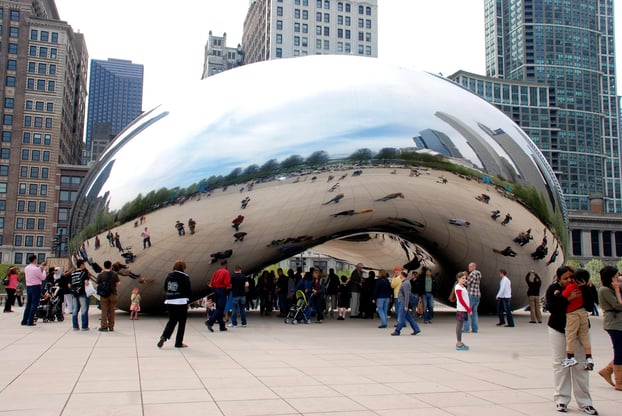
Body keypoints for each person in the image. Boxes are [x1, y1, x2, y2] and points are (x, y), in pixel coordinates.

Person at [546, 265, 599, 415]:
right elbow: (553, 308)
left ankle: (585, 402)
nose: (568, 280)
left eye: (571, 277)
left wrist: (586, 289)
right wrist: (567, 298)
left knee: (581, 365)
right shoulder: (553, 289)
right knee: (561, 364)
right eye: (565, 279)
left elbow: (590, 306)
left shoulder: (581, 285)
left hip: (579, 330)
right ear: (559, 279)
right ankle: (561, 399)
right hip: (558, 329)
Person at [560, 269, 594, 370]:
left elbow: (563, 297)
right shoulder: (585, 288)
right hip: (583, 312)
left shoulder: (572, 287)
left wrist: (558, 293)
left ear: (575, 279)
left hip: (572, 313)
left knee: (571, 334)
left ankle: (570, 357)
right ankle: (589, 358)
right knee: (584, 335)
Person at [597, 265, 622, 390]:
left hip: (619, 323)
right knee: (619, 351)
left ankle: (607, 370)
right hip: (614, 324)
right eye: (616, 276)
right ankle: (620, 382)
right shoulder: (605, 290)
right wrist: (617, 290)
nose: (618, 277)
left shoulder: (612, 287)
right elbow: (618, 305)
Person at [157, 260, 192, 348]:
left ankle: (164, 336)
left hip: (170, 301)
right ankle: (178, 342)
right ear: (184, 267)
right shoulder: (185, 277)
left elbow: (165, 287)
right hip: (181, 301)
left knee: (172, 320)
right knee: (181, 322)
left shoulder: (169, 276)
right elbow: (188, 289)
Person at [391, 271, 421, 336]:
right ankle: (416, 329)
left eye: (400, 275)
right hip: (403, 302)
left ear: (402, 275)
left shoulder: (406, 283)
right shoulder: (405, 282)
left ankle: (397, 331)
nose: (399, 276)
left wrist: (406, 305)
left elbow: (407, 295)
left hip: (403, 303)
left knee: (401, 317)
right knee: (409, 317)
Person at [21, 255, 47, 326]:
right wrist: (44, 270)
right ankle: (30, 321)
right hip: (35, 286)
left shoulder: (26, 268)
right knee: (34, 304)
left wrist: (40, 268)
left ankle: (24, 320)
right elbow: (43, 278)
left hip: (28, 286)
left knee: (28, 304)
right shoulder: (36, 269)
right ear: (35, 260)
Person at [206, 260, 231, 332]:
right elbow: (227, 283)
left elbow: (212, 282)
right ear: (226, 264)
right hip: (222, 290)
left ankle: (222, 326)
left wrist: (214, 289)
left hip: (216, 290)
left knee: (219, 308)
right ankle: (210, 322)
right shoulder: (226, 272)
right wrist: (229, 286)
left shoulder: (217, 272)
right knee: (220, 309)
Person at [96, 260, 120, 332]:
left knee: (104, 311)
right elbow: (118, 284)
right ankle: (111, 326)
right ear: (110, 266)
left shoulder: (100, 275)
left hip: (104, 295)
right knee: (112, 311)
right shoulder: (114, 274)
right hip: (113, 294)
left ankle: (104, 326)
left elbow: (97, 285)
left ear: (104, 266)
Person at [70, 260, 91, 331]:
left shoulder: (72, 274)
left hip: (74, 293)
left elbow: (69, 285)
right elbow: (86, 282)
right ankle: (84, 326)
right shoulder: (83, 273)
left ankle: (75, 326)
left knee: (75, 310)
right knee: (84, 310)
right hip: (82, 292)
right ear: (81, 265)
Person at [454, 271, 472, 350]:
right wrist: (468, 309)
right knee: (459, 325)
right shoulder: (458, 287)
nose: (465, 280)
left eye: (465, 278)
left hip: (464, 309)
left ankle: (460, 342)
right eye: (463, 278)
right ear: (458, 279)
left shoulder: (462, 286)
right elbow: (461, 300)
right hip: (461, 309)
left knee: (460, 325)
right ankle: (459, 343)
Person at [463, 262, 481, 333]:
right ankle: (475, 329)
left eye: (470, 267)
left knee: (467, 311)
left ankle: (466, 328)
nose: (469, 268)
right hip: (477, 295)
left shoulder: (472, 274)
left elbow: (467, 283)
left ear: (474, 267)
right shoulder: (479, 274)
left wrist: (464, 277)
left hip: (471, 294)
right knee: (474, 312)